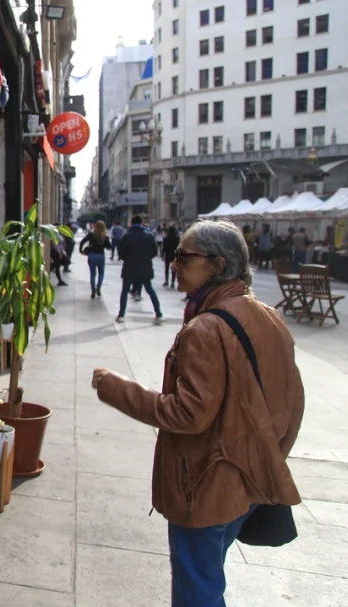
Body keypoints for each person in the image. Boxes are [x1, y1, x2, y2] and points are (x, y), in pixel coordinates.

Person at [91, 218, 304, 607]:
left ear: (218, 266)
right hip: (245, 482)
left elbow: (189, 414)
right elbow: (293, 403)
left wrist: (117, 389)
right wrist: (265, 455)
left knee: (198, 592)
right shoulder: (269, 317)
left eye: (184, 257)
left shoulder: (206, 328)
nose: (173, 264)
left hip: (206, 486)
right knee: (207, 577)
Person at [116, 215, 162, 324]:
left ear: (131, 223)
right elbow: (154, 252)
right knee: (150, 290)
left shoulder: (127, 236)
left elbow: (121, 252)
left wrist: (128, 258)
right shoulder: (149, 236)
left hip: (129, 267)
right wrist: (145, 258)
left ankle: (121, 315)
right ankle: (158, 313)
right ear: (141, 223)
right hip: (145, 267)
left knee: (125, 290)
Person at [80, 220, 110, 299]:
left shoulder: (91, 235)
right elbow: (109, 247)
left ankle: (93, 291)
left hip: (92, 255)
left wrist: (81, 250)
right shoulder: (105, 237)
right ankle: (98, 287)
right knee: (101, 273)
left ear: (95, 226)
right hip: (100, 256)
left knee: (92, 274)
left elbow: (82, 242)